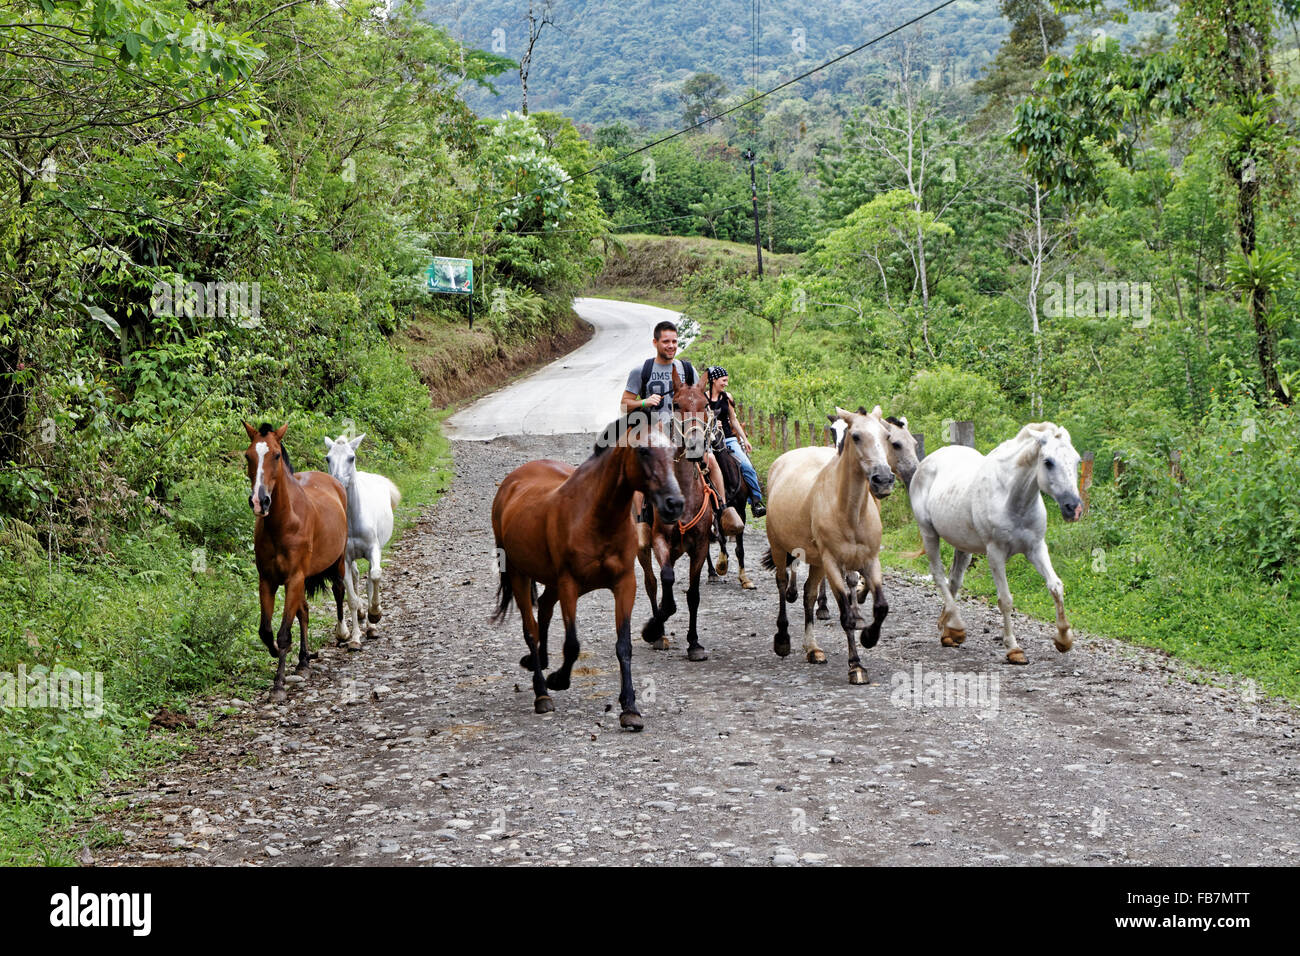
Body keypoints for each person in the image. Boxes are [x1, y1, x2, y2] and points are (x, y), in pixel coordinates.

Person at [621, 320, 731, 524]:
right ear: (655, 342)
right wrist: (644, 401)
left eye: (674, 341)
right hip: (652, 432)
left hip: (685, 432)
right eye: (665, 341)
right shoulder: (641, 371)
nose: (671, 346)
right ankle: (641, 521)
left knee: (712, 460)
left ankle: (722, 511)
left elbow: (698, 399)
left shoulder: (687, 369)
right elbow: (624, 404)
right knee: (640, 469)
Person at [705, 366, 766, 517]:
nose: (726, 383)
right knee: (703, 468)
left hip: (728, 439)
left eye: (727, 380)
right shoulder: (703, 398)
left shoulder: (727, 397)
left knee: (747, 466)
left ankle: (756, 501)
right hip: (708, 440)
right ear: (714, 380)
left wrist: (745, 440)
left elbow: (733, 420)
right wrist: (711, 421)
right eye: (723, 380)